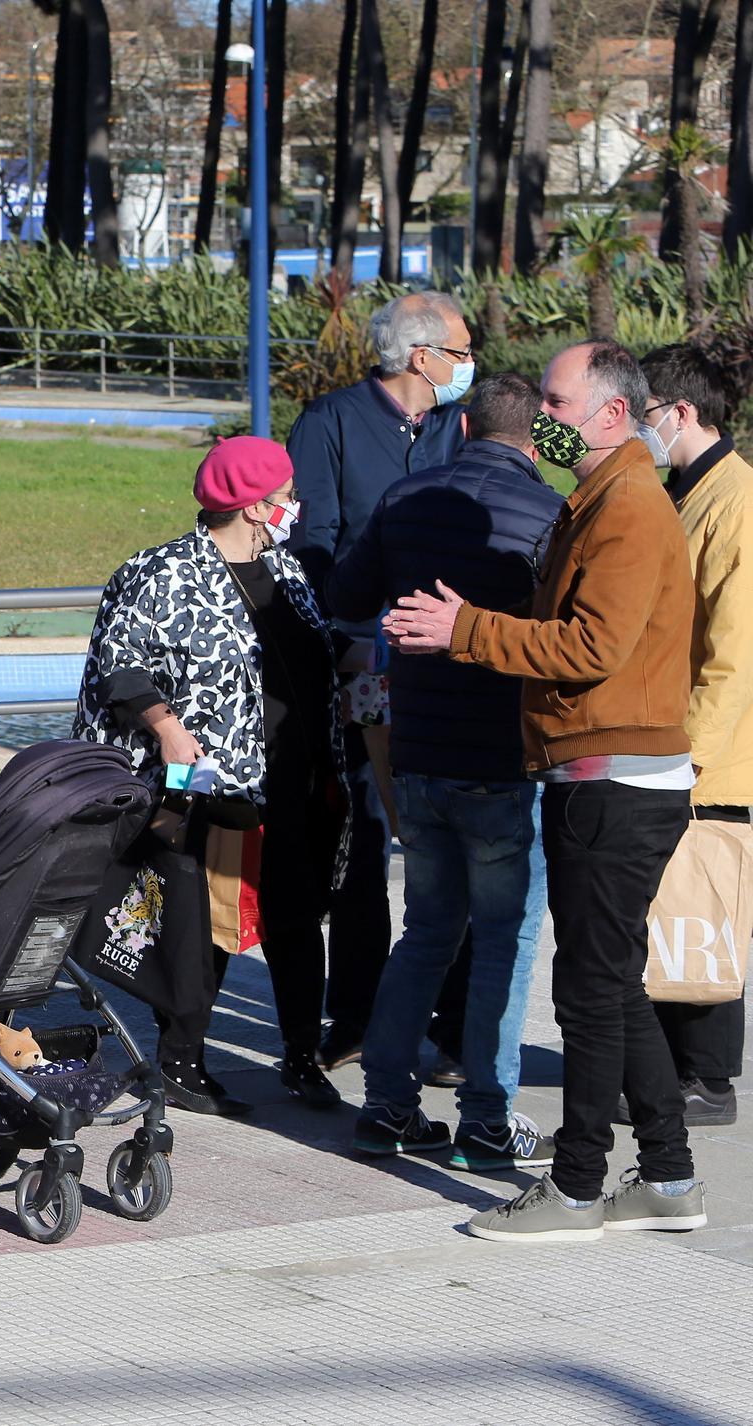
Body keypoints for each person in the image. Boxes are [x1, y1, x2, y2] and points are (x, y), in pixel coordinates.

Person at [387, 339, 705, 1241]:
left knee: (588, 992)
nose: (544, 423)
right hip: (598, 773)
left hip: (614, 782)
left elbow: (591, 649)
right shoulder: (599, 497)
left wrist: (467, 628)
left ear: (612, 414)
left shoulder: (630, 510)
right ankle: (672, 1181)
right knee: (613, 984)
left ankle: (574, 1189)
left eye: (558, 407)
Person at [326, 374, 564, 1171]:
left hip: (420, 749)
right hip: (503, 756)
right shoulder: (550, 515)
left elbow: (347, 591)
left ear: (462, 430)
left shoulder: (405, 497)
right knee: (504, 940)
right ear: (539, 442)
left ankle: (386, 1107)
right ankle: (486, 1119)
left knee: (424, 932)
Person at [75, 436, 347, 1114]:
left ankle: (300, 1057)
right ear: (254, 507)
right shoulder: (164, 572)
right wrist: (168, 728)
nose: (294, 507)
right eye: (285, 496)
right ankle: (181, 1059)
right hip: (204, 780)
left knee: (294, 917)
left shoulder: (287, 570)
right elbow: (119, 663)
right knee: (200, 916)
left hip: (289, 777)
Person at [286, 291, 472, 1070]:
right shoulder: (328, 422)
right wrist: (351, 639)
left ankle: (455, 1026)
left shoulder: (460, 428)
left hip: (450, 667)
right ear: (421, 357)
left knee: (451, 846)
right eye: (462, 350)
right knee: (360, 849)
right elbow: (313, 543)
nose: (471, 363)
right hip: (359, 671)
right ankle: (355, 1018)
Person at [638, 343, 753, 1127]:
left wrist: (695, 759)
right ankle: (681, 1069)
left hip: (710, 757)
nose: (639, 431)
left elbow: (735, 653)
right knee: (678, 914)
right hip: (682, 746)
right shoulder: (689, 487)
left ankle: (709, 1080)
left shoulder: (735, 500)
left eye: (644, 415)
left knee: (703, 911)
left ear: (682, 412)